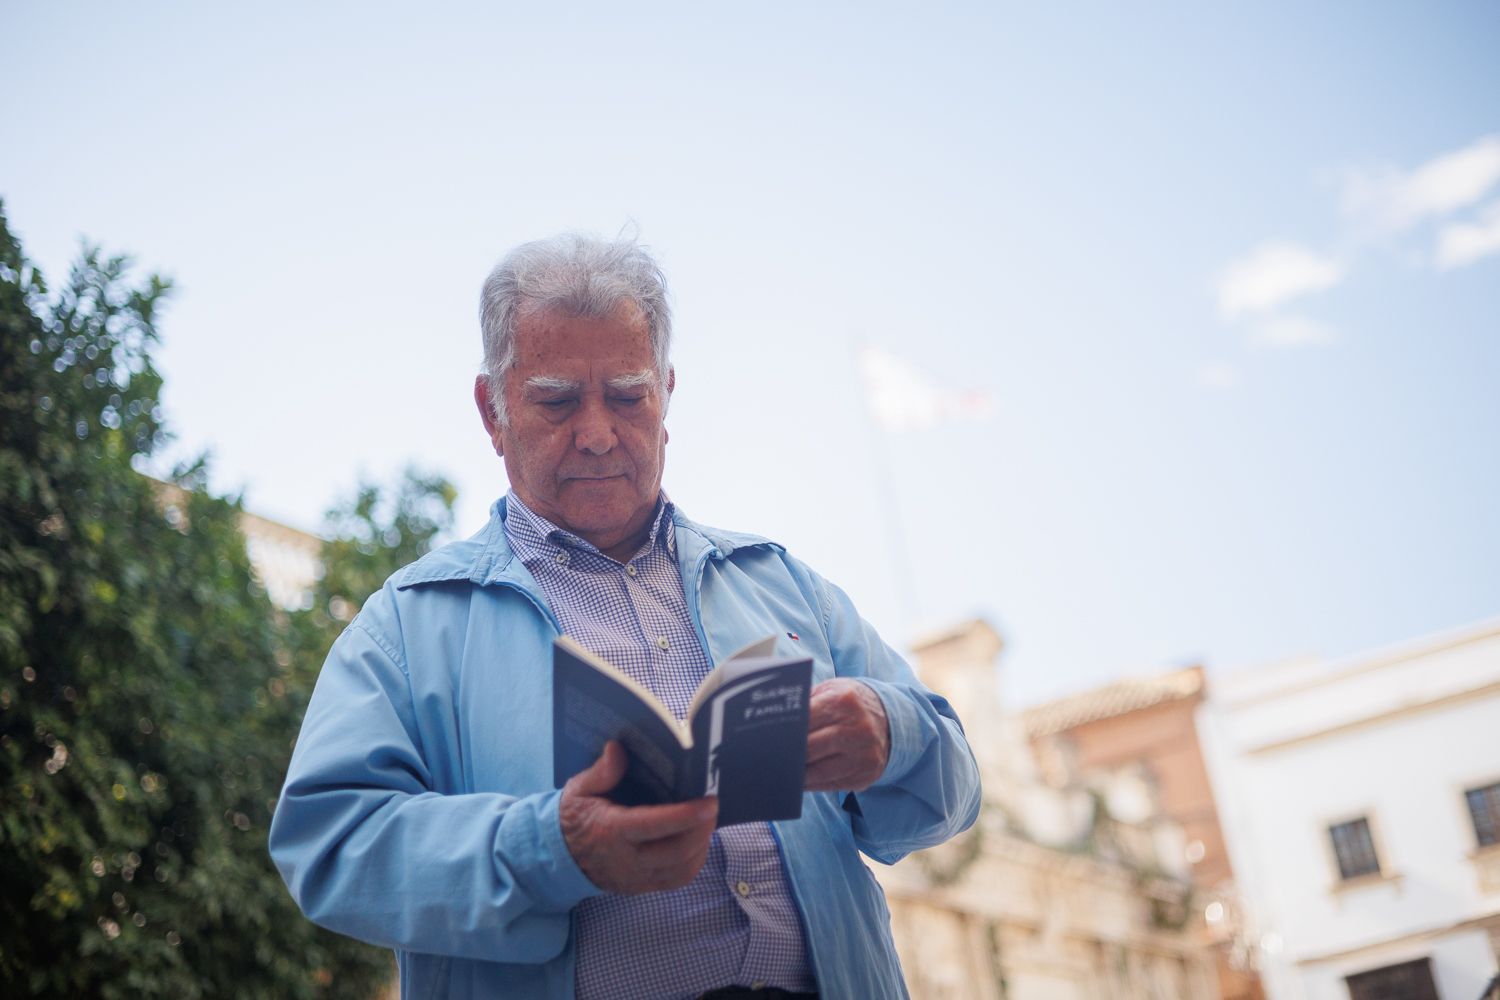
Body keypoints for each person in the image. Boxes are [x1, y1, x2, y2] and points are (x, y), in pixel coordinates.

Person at [269, 234, 982, 1000]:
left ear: (667, 394)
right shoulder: (409, 626)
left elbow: (957, 789)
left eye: (627, 394)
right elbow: (330, 845)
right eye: (556, 400)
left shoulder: (781, 584)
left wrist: (891, 729)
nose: (599, 432)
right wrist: (551, 848)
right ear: (492, 409)